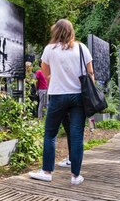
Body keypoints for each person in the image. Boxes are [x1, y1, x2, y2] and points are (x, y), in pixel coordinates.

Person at [29, 19, 94, 185]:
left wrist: (54, 79)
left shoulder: (50, 49)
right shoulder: (81, 47)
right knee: (77, 135)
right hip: (78, 96)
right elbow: (90, 72)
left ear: (56, 31)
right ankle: (75, 176)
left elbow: (44, 71)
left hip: (57, 95)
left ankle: (47, 172)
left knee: (50, 133)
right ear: (71, 31)